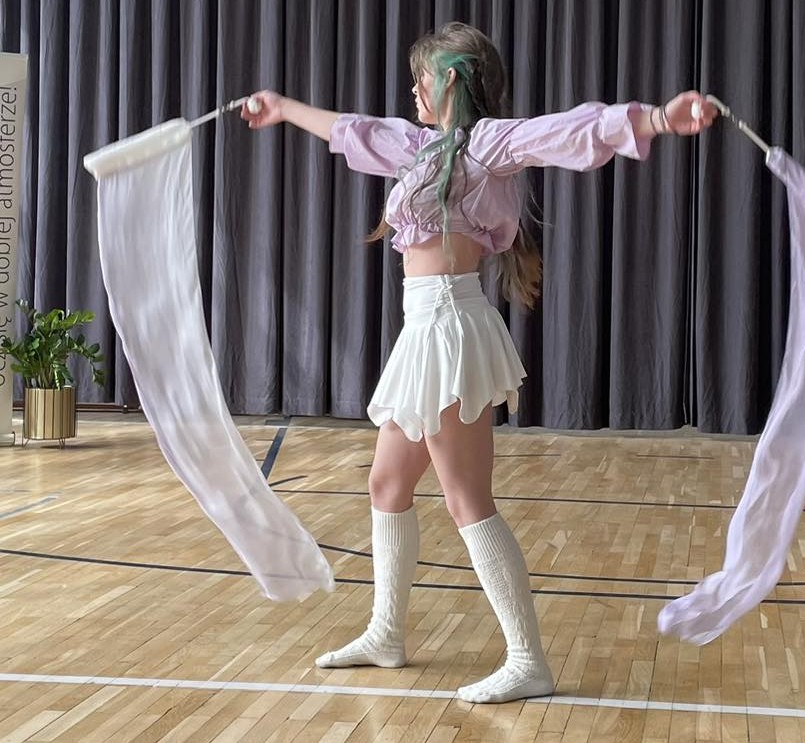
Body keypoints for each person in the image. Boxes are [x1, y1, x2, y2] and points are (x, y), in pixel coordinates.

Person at [242, 21, 717, 704]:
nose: (411, 90)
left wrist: (660, 119)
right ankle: (385, 633)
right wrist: (283, 107)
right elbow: (352, 130)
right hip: (423, 329)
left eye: (421, 78)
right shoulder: (418, 147)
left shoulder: (488, 144)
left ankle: (527, 659)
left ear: (451, 82)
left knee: (466, 499)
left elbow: (570, 131)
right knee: (386, 484)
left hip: (450, 328)